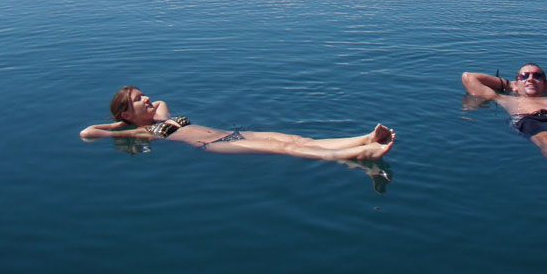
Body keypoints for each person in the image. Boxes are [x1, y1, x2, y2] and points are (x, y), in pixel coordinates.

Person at [80, 86, 395, 160]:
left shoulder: (159, 117)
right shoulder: (142, 130)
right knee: (287, 149)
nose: (147, 99)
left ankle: (363, 138)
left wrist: (143, 107)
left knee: (296, 139)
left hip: (233, 133)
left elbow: (161, 104)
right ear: (125, 115)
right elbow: (88, 132)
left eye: (144, 94)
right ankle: (360, 154)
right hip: (215, 144)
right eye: (138, 99)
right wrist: (117, 126)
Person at [460, 63, 547, 179]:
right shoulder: (505, 99)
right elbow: (469, 77)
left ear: (544, 83)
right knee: (545, 139)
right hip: (527, 119)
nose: (530, 79)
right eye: (524, 76)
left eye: (537, 76)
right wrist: (509, 85)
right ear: (517, 82)